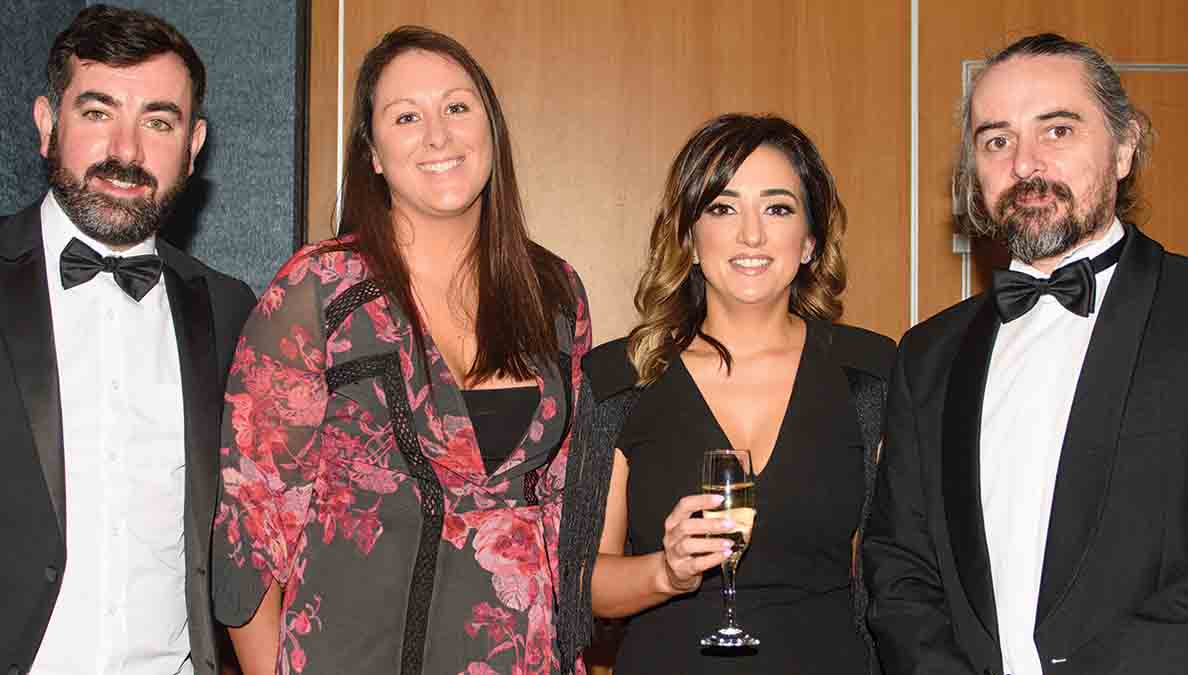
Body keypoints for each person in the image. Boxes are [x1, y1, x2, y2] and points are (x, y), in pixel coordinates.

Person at [209, 26, 593, 675]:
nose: (438, 135)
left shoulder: (555, 292)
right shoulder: (318, 290)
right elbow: (251, 530)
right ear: (374, 155)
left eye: (457, 107)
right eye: (407, 116)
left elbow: (566, 509)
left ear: (491, 130)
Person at [863, 33, 1188, 675]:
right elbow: (899, 565)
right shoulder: (928, 355)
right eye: (997, 141)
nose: (1024, 164)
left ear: (1124, 147)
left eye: (1058, 131)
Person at [582, 113, 895, 673]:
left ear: (810, 241)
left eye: (778, 209)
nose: (752, 235)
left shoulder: (871, 373)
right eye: (723, 209)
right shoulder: (620, 376)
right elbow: (584, 584)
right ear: (689, 238)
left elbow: (894, 573)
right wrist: (665, 572)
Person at [0, 5, 257, 675]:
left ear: (194, 145)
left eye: (158, 122)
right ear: (47, 124)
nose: (127, 151)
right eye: (97, 112)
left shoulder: (230, 311)